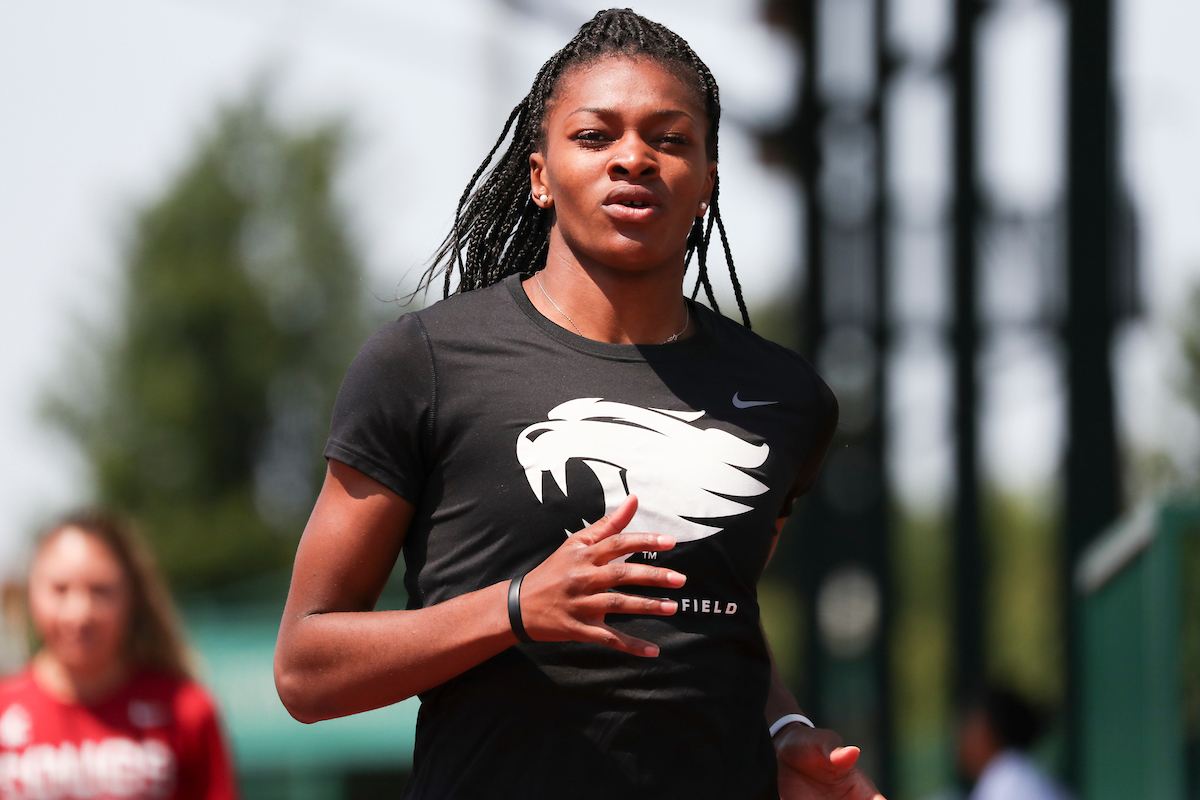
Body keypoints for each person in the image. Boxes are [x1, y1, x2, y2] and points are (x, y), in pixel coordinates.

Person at [274, 9, 883, 799]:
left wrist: (787, 733)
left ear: (707, 182)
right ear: (539, 175)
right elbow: (303, 669)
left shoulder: (786, 400)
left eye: (670, 139)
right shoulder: (423, 365)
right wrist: (518, 607)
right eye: (595, 136)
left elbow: (715, 621)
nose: (634, 158)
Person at [0, 511, 239, 799]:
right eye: (59, 589)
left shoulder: (187, 710)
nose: (79, 613)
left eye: (100, 591)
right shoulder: (5, 708)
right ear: (30, 593)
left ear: (131, 597)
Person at [958, 685, 1074, 800]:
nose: (963, 742)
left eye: (972, 731)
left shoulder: (1008, 779)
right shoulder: (1014, 773)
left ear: (991, 734)